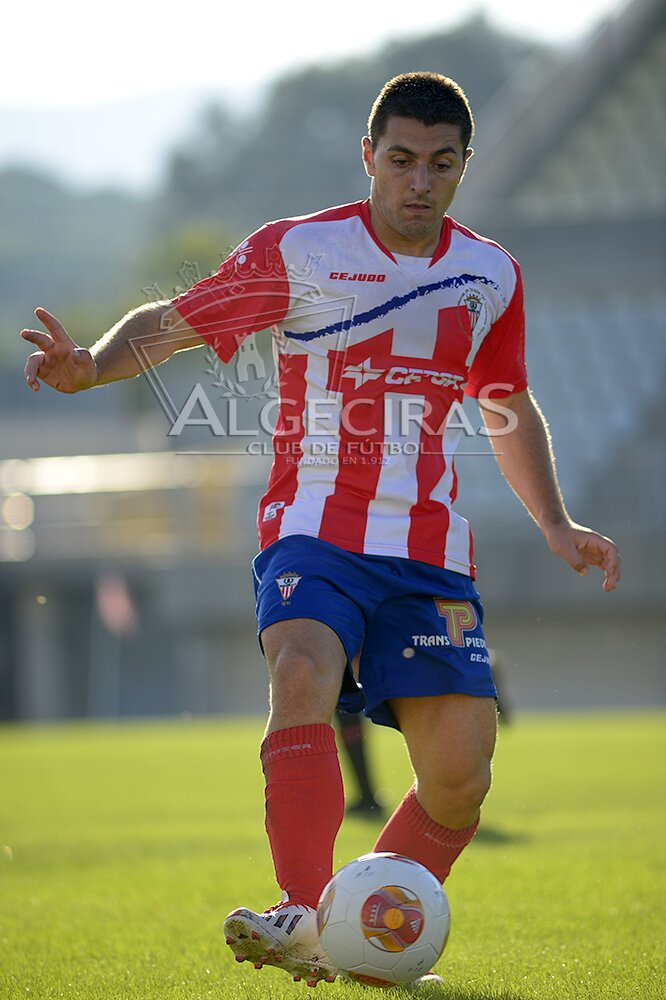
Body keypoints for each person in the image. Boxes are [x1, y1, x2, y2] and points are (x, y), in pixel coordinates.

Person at [21, 72, 620, 989]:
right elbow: (179, 323)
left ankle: (364, 932)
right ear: (370, 158)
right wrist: (93, 364)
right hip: (313, 528)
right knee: (300, 669)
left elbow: (503, 400)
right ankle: (304, 910)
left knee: (461, 775)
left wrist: (556, 520)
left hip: (426, 550)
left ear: (464, 167)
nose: (420, 181)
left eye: (442, 164)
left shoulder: (490, 273)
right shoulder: (300, 252)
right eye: (402, 160)